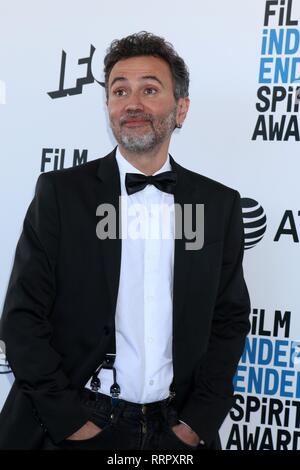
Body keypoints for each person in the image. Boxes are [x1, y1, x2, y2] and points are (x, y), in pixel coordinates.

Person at [0, 31, 251, 450]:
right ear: (108, 107)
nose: (132, 103)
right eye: (120, 91)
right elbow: (23, 317)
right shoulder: (61, 195)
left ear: (181, 108)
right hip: (78, 421)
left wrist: (196, 423)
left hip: (177, 428)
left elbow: (228, 321)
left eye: (149, 89)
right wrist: (70, 422)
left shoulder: (217, 204)